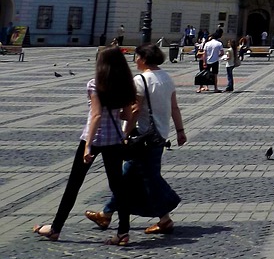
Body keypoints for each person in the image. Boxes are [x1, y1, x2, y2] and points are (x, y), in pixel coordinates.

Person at [33, 46, 137, 245]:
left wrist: (88, 146)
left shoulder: (95, 84)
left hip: (94, 138)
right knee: (118, 188)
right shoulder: (125, 85)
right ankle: (123, 233)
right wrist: (121, 128)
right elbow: (128, 115)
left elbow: (96, 115)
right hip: (113, 141)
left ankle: (55, 229)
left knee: (74, 184)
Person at [87, 42, 186, 236]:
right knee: (129, 177)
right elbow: (174, 107)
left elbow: (135, 110)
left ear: (144, 58)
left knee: (147, 179)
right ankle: (106, 214)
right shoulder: (167, 78)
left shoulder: (141, 80)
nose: (135, 60)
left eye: (137, 57)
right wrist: (180, 130)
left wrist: (124, 134)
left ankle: (164, 219)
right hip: (160, 135)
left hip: (142, 137)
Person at [201, 28, 225, 93]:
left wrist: (204, 62)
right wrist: (218, 55)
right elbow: (222, 53)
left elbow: (204, 54)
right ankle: (215, 88)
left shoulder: (207, 44)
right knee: (215, 75)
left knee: (206, 74)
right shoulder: (219, 44)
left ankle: (206, 86)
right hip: (215, 61)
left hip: (208, 60)